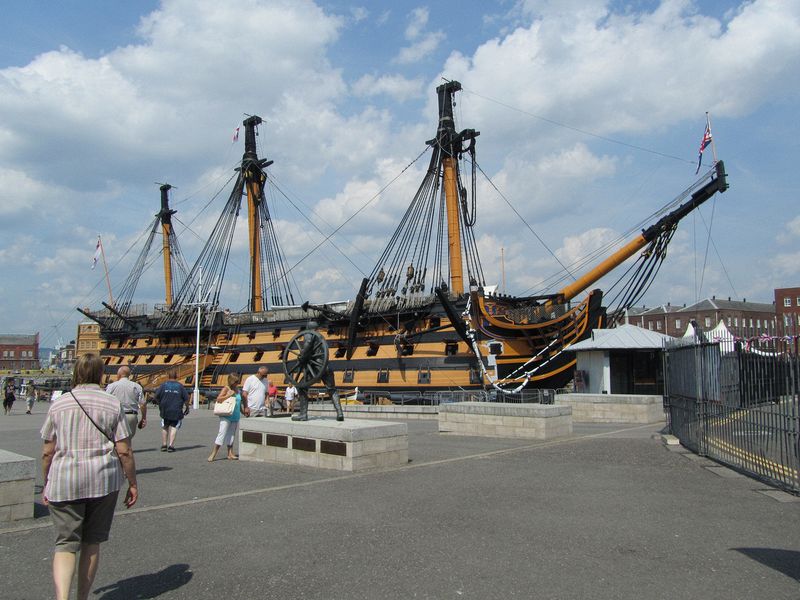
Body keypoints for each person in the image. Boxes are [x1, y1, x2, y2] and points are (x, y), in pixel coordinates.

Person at [40, 353, 138, 600]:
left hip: (64, 480)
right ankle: (82, 597)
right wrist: (133, 483)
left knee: (65, 543)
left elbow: (47, 451)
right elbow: (124, 450)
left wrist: (46, 482)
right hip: (103, 481)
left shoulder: (59, 404)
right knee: (91, 542)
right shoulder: (111, 403)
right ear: (100, 374)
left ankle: (62, 597)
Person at [207, 373, 248, 462]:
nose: (238, 383)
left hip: (235, 415)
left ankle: (230, 453)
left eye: (238, 381)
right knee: (222, 433)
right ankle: (213, 453)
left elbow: (238, 403)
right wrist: (228, 395)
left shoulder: (238, 390)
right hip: (226, 415)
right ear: (232, 381)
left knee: (232, 434)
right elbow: (218, 399)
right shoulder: (226, 388)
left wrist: (243, 411)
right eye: (236, 381)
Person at [105, 366, 147, 440]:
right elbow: (142, 404)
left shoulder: (111, 386)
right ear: (129, 375)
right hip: (131, 416)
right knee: (128, 441)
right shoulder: (137, 386)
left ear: (119, 375)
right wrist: (143, 418)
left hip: (116, 416)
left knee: (115, 440)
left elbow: (106, 401)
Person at [154, 370, 190, 452]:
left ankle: (164, 444)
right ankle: (171, 445)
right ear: (176, 376)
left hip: (165, 409)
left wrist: (160, 404)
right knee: (174, 427)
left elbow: (156, 396)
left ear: (168, 376)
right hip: (176, 409)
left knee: (165, 426)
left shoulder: (163, 385)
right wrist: (187, 407)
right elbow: (186, 398)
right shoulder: (180, 386)